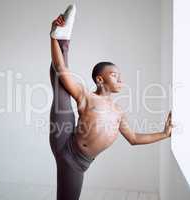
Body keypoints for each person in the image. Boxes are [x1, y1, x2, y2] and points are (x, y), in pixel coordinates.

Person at [49, 4, 174, 200]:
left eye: (119, 76)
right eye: (114, 75)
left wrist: (165, 134)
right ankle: (62, 38)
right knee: (61, 86)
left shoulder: (118, 112)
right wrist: (53, 38)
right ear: (100, 79)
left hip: (80, 163)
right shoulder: (87, 97)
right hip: (66, 146)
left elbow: (133, 139)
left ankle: (62, 38)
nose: (120, 80)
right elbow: (60, 68)